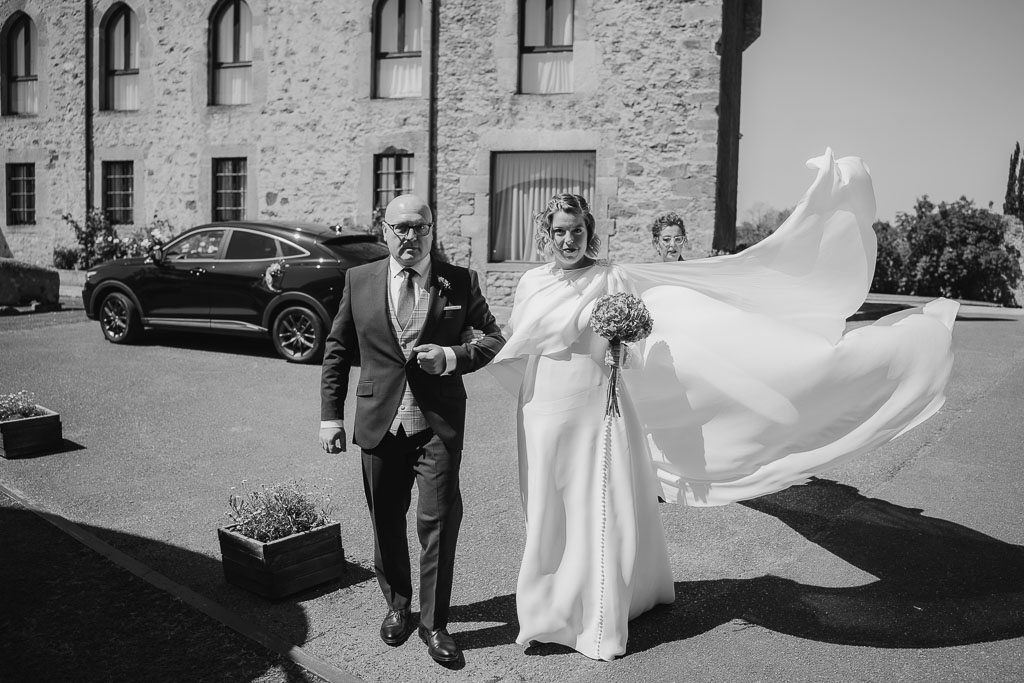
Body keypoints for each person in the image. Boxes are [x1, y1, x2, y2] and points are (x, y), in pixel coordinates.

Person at [487, 149, 958, 660]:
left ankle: (595, 620)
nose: (568, 239)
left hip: (598, 409)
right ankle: (545, 609)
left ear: (589, 231)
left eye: (576, 230)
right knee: (547, 510)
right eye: (558, 231)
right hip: (541, 411)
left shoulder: (611, 279)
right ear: (546, 234)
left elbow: (641, 345)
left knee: (594, 507)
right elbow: (520, 342)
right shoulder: (531, 282)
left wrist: (625, 341)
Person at [319, 193, 505, 664]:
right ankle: (398, 606)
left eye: (420, 227)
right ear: (385, 230)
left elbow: (493, 339)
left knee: (439, 524)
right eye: (401, 227)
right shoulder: (358, 280)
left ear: (431, 231)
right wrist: (330, 417)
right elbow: (338, 351)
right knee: (385, 520)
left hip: (436, 426)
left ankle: (435, 623)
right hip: (379, 422)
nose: (410, 236)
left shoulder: (459, 282)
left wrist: (452, 357)